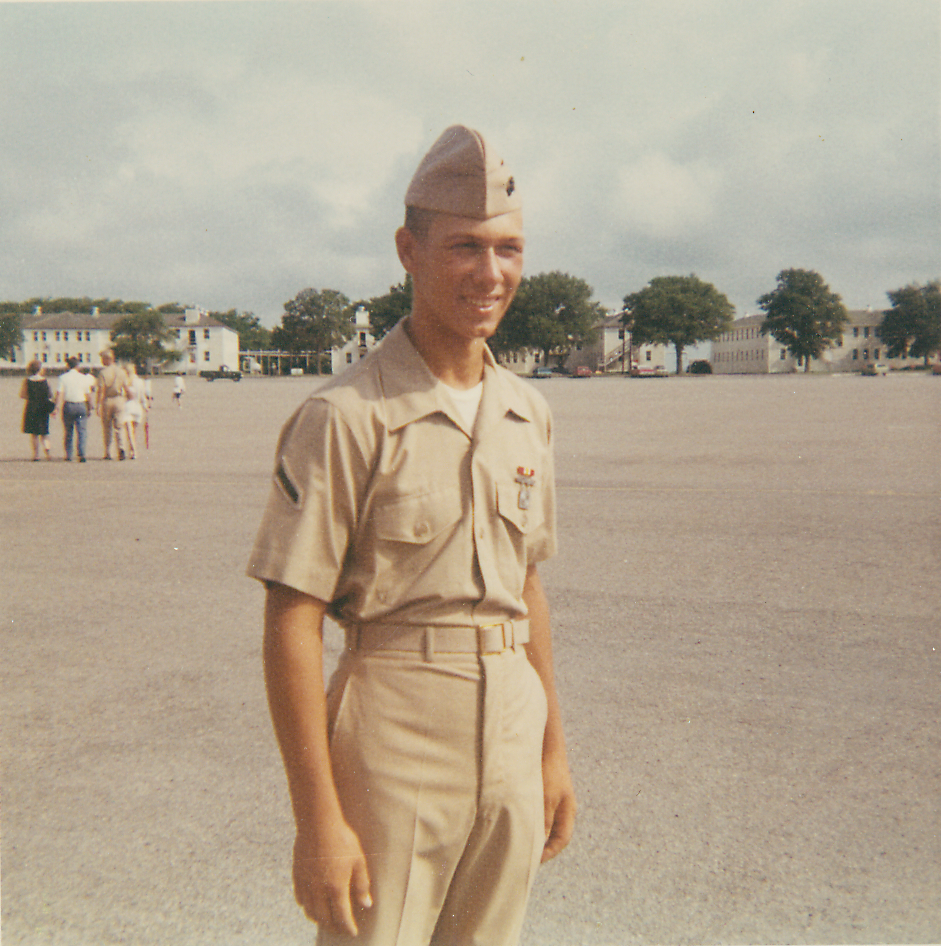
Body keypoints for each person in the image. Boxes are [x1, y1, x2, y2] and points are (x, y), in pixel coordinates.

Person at [248, 125, 576, 946]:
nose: (490, 273)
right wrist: (317, 820)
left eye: (508, 249)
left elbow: (524, 588)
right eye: (466, 246)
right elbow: (291, 621)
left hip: (511, 724)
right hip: (394, 726)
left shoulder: (525, 412)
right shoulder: (346, 416)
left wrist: (551, 751)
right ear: (408, 250)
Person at [55, 356, 96, 462]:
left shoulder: (63, 377)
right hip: (81, 405)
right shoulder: (83, 377)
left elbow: (60, 393)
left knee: (68, 431)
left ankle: (69, 454)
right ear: (78, 366)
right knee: (82, 430)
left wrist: (57, 407)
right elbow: (88, 393)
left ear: (68, 366)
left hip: (68, 405)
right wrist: (91, 406)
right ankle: (82, 454)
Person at [95, 349, 129, 460]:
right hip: (119, 399)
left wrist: (98, 405)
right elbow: (126, 387)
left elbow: (101, 390)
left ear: (107, 359)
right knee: (120, 426)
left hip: (108, 400)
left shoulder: (103, 373)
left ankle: (108, 452)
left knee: (107, 427)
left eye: (102, 359)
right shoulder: (121, 371)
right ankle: (121, 448)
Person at [20, 359, 55, 460]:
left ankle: (36, 455)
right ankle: (48, 453)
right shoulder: (45, 381)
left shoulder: (27, 381)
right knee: (44, 432)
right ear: (40, 369)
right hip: (43, 407)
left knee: (34, 433)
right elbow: (50, 394)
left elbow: (23, 395)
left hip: (31, 407)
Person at [118, 361, 148, 459]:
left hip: (127, 407)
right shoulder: (140, 382)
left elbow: (122, 395)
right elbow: (143, 396)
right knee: (133, 432)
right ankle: (133, 450)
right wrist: (145, 406)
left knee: (129, 431)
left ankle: (133, 451)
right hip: (137, 407)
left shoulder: (125, 382)